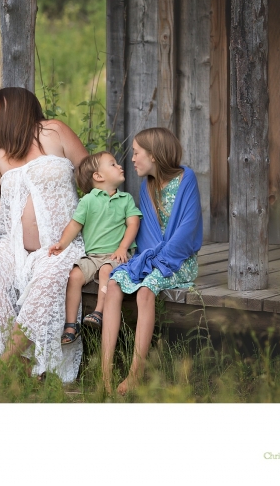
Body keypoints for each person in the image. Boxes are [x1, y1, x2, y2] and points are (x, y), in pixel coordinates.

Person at [0, 86, 88, 384]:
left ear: (13, 104)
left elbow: (92, 174)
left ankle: (4, 372)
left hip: (60, 242)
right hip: (11, 244)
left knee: (48, 281)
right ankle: (18, 371)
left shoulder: (54, 131)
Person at [101, 127, 202, 396]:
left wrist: (158, 262)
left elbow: (187, 230)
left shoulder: (186, 179)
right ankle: (105, 372)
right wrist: (144, 261)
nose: (132, 159)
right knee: (114, 283)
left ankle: (136, 373)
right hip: (153, 257)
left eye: (136, 153)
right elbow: (147, 235)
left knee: (146, 291)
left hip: (179, 261)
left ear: (154, 156)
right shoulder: (147, 186)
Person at [48, 151, 142, 345]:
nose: (119, 166)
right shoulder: (88, 201)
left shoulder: (126, 199)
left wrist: (123, 248)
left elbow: (133, 224)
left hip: (116, 256)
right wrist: (62, 244)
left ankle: (98, 311)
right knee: (74, 276)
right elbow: (75, 225)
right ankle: (71, 325)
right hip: (92, 256)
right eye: (113, 164)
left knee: (106, 270)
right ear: (98, 176)